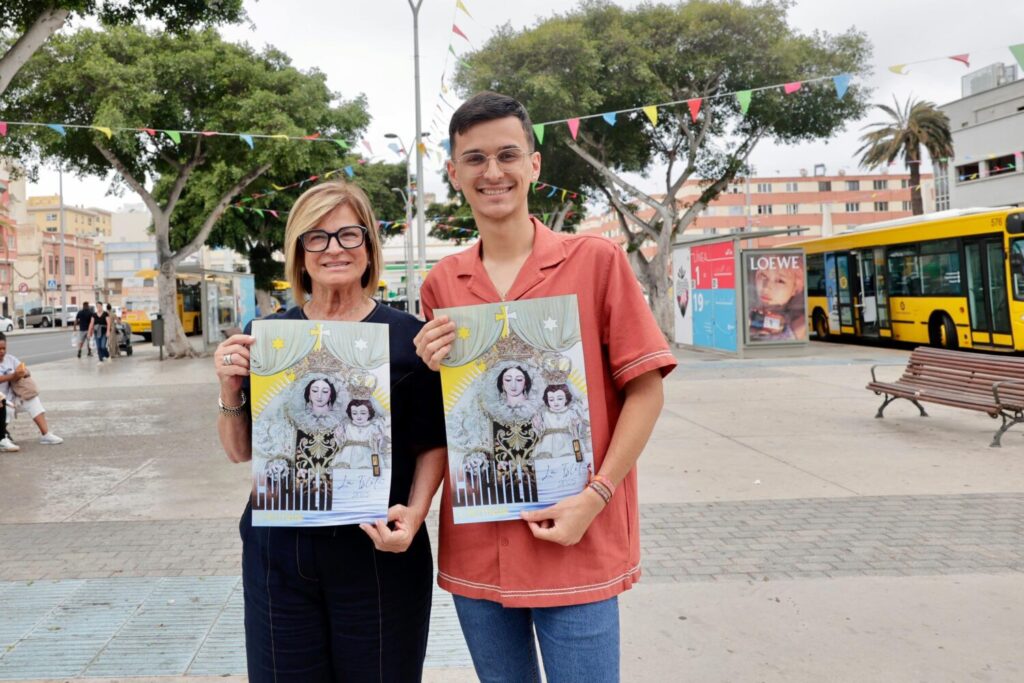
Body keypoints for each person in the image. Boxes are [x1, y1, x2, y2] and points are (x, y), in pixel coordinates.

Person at [413, 91, 677, 682]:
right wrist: (431, 369)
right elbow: (447, 417)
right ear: (454, 174)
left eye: (508, 154)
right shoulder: (441, 283)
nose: (493, 172)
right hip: (481, 544)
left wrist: (598, 495)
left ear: (535, 164)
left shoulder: (595, 261)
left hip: (575, 536)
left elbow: (647, 389)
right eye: (475, 159)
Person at [214, 180, 447, 682]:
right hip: (279, 551)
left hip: (379, 547)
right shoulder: (268, 337)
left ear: (369, 247)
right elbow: (239, 453)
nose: (334, 249)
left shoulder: (410, 337)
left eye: (348, 234)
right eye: (316, 237)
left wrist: (418, 514)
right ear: (299, 253)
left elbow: (433, 443)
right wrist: (230, 388)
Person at [0, 333, 64, 446]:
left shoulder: (10, 359)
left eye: (4, 348)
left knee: (32, 400)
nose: (2, 351)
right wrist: (12, 376)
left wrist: (23, 372)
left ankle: (46, 435)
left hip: (13, 397)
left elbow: (26, 370)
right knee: (7, 409)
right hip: (2, 401)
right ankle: (2, 437)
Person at [749, 260, 806, 340]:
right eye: (763, 275)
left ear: (795, 289)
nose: (766, 287)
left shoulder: (799, 324)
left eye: (780, 281)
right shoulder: (748, 310)